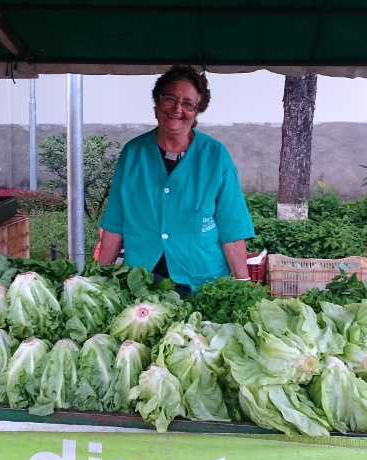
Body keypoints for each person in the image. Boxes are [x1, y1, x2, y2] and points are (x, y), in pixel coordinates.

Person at [97, 64, 255, 293]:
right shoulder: (133, 154)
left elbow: (231, 227)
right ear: (157, 101)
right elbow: (115, 222)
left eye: (188, 103)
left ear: (197, 110)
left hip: (201, 279)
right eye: (170, 98)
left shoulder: (215, 156)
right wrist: (99, 279)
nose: (177, 108)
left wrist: (242, 286)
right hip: (142, 279)